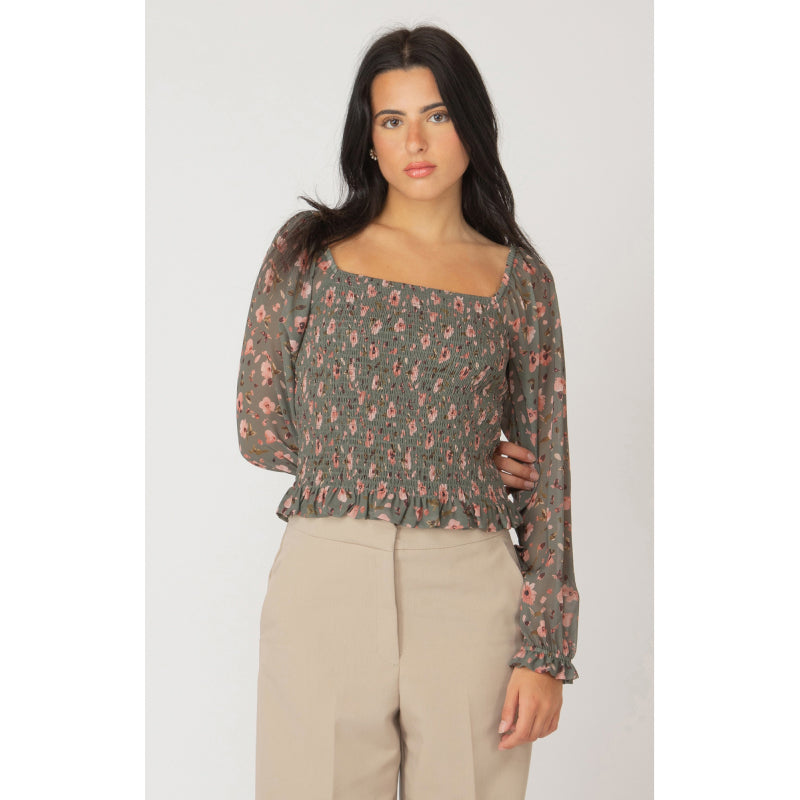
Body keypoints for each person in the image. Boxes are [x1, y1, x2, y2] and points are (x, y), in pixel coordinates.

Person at [235, 24, 579, 800]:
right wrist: (436, 453)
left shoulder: (520, 281)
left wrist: (546, 652)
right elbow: (262, 426)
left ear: (471, 125)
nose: (414, 142)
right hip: (327, 573)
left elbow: (549, 474)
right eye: (392, 120)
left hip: (471, 588)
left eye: (437, 115)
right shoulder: (309, 252)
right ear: (369, 138)